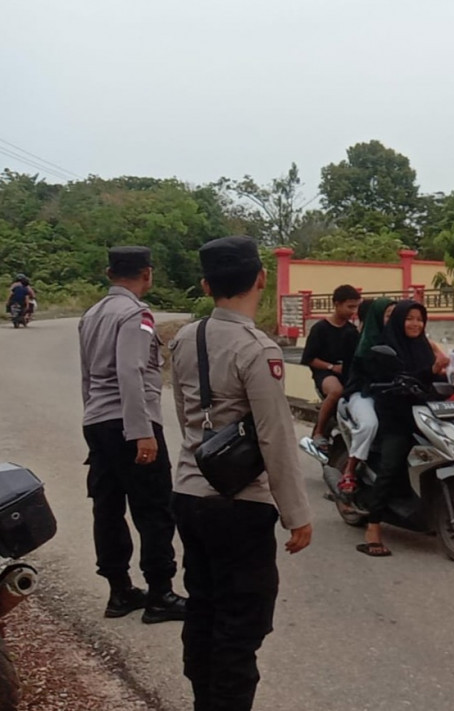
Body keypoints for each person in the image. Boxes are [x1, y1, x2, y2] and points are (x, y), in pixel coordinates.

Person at [168, 236, 313, 710]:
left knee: (203, 608)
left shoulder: (186, 338)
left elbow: (186, 417)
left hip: (189, 495)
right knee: (241, 622)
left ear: (207, 284)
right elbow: (275, 437)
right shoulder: (258, 349)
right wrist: (297, 514)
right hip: (240, 504)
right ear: (261, 279)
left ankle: (203, 701)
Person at [78, 247, 186, 623]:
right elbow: (131, 372)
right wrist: (142, 432)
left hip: (97, 421)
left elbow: (87, 377)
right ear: (147, 274)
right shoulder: (135, 315)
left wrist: (92, 420)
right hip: (130, 421)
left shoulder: (91, 314)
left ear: (109, 272)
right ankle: (160, 594)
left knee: (107, 508)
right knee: (154, 508)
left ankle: (120, 591)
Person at [355, 300, 440, 557]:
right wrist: (429, 372)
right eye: (409, 318)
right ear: (398, 321)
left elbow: (431, 378)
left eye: (419, 319)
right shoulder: (385, 348)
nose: (415, 324)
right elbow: (392, 378)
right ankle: (373, 527)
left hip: (423, 413)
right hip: (395, 415)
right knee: (391, 464)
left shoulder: (424, 346)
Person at [335, 297, 393, 493]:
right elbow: (362, 374)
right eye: (388, 315)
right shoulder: (364, 343)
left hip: (391, 395)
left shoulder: (402, 340)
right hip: (363, 393)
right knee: (369, 424)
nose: (392, 320)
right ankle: (349, 470)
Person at [300, 285, 362, 449]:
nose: (353, 311)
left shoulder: (352, 331)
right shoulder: (320, 329)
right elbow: (309, 358)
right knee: (336, 391)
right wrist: (331, 367)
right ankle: (318, 432)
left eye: (355, 307)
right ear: (336, 304)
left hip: (347, 373)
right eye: (350, 306)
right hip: (325, 373)